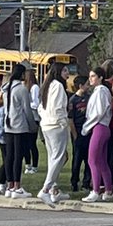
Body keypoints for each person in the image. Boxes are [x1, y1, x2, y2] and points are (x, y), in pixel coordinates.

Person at [37, 62, 70, 205]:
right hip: (56, 125)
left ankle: (53, 189)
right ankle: (46, 189)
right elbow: (57, 108)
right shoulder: (57, 86)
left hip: (46, 125)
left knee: (54, 158)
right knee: (58, 157)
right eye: (65, 71)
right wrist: (63, 122)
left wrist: (45, 118)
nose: (67, 73)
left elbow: (40, 107)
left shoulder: (47, 85)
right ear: (58, 72)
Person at [81, 66, 113, 202]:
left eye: (93, 76)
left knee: (92, 160)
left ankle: (95, 190)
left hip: (99, 127)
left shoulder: (101, 91)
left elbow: (98, 112)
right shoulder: (99, 91)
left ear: (100, 78)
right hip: (101, 127)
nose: (90, 79)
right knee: (101, 161)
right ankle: (108, 189)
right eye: (90, 76)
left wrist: (86, 126)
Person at [2, 63, 35, 199]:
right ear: (22, 74)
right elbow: (27, 109)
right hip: (20, 126)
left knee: (9, 156)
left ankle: (9, 185)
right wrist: (32, 125)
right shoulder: (21, 89)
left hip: (8, 125)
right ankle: (17, 186)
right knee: (18, 156)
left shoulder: (6, 88)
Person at [68, 74, 92, 192]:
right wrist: (75, 135)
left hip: (88, 132)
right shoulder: (73, 100)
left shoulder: (89, 98)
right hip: (77, 132)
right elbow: (70, 119)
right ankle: (74, 182)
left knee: (88, 159)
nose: (89, 86)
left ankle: (86, 182)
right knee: (77, 159)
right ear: (81, 86)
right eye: (87, 84)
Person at [24, 67, 41, 174]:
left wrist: (26, 105)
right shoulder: (25, 88)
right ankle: (27, 164)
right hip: (26, 118)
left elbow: (36, 104)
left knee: (32, 143)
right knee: (26, 144)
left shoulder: (34, 87)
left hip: (34, 118)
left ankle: (34, 165)